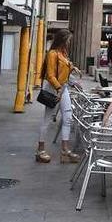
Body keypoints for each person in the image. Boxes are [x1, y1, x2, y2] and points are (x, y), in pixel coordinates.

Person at [36, 29, 81, 164]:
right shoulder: (52, 54)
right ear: (63, 40)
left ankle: (64, 149)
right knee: (48, 118)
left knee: (68, 117)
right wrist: (59, 88)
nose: (69, 42)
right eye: (68, 40)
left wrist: (73, 68)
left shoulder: (63, 54)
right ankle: (40, 150)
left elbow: (63, 68)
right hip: (54, 88)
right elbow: (50, 75)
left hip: (63, 87)